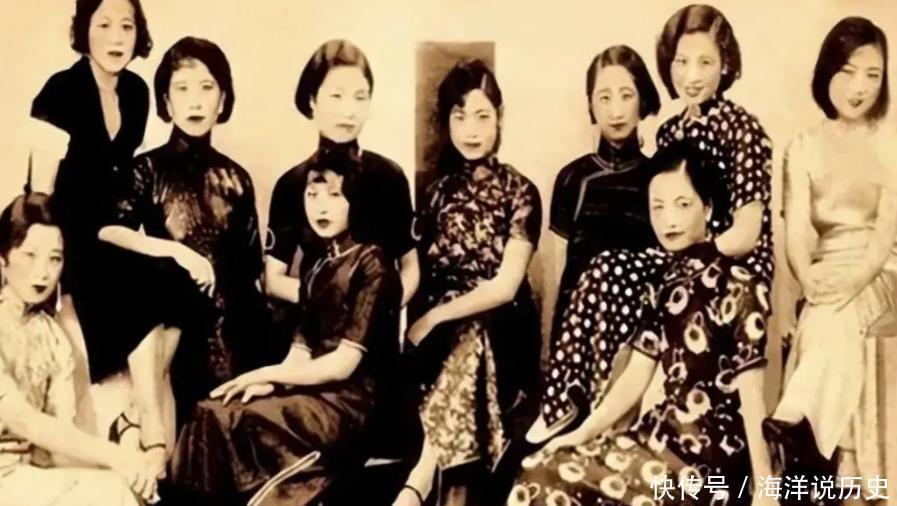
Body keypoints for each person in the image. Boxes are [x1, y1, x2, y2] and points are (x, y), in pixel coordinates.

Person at [510, 144, 773, 506]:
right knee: (540, 468)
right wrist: (581, 434)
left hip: (712, 458)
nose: (669, 220)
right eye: (657, 207)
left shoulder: (742, 285)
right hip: (660, 437)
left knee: (552, 482)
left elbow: (753, 393)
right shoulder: (664, 285)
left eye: (682, 205)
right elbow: (635, 376)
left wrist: (764, 487)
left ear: (709, 208)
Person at [169, 147, 402, 506]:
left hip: (356, 403)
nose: (320, 206)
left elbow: (343, 364)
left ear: (356, 197)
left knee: (243, 421)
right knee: (210, 411)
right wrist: (268, 383)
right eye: (312, 194)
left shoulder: (374, 264)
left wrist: (267, 374)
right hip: (314, 393)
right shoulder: (316, 266)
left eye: (334, 195)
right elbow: (300, 351)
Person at [97, 36, 280, 482]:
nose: (195, 101)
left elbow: (251, 272)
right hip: (179, 332)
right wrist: (175, 250)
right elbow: (107, 230)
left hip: (238, 329)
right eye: (182, 88)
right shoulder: (146, 169)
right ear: (166, 101)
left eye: (206, 87)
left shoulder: (237, 178)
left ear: (223, 100)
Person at [394, 59, 543, 506]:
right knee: (454, 343)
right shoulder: (435, 194)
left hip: (503, 326)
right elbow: (416, 274)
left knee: (472, 333)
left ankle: (419, 482)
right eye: (460, 117)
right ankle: (451, 490)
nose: (471, 130)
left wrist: (433, 318)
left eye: (482, 115)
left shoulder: (520, 191)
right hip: (442, 331)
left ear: (499, 117)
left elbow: (505, 286)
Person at [768, 17, 893, 506]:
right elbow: (797, 231)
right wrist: (808, 276)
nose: (859, 87)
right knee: (825, 316)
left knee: (833, 316)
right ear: (826, 73)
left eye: (873, 74)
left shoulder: (892, 143)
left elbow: (885, 235)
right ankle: (841, 458)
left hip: (882, 269)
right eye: (848, 71)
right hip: (826, 270)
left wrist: (852, 281)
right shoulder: (803, 146)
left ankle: (794, 416)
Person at [29, 0, 155, 450]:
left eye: (127, 26)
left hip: (113, 233)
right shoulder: (60, 91)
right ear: (83, 31)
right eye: (103, 25)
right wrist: (49, 260)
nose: (117, 37)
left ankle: (137, 414)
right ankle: (137, 426)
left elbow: (123, 179)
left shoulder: (137, 92)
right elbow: (39, 191)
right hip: (70, 237)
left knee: (179, 286)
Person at [530, 45, 666, 443]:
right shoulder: (573, 178)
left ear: (643, 99)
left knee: (613, 266)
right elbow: (559, 273)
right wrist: (551, 352)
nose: (616, 110)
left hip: (639, 337)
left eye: (626, 95)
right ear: (590, 105)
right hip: (577, 338)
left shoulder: (661, 176)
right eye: (604, 97)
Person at [0, 185, 158, 505]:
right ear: (3, 258)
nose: (43, 272)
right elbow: (23, 419)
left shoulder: (53, 337)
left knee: (121, 488)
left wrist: (130, 464)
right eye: (30, 255)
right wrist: (114, 456)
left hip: (24, 478)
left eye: (54, 259)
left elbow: (61, 437)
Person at [267, 39, 418, 309]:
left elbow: (411, 267)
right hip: (314, 326)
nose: (349, 111)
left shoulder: (389, 177)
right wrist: (327, 299)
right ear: (313, 101)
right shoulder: (292, 183)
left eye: (360, 97)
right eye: (336, 96)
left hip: (378, 329)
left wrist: (379, 309)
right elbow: (273, 279)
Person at [654, 4, 774, 313]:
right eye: (681, 62)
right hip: (678, 259)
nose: (691, 77)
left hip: (734, 266)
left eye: (705, 62)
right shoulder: (669, 132)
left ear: (725, 64)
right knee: (607, 269)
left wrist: (695, 256)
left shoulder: (742, 129)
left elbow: (747, 233)